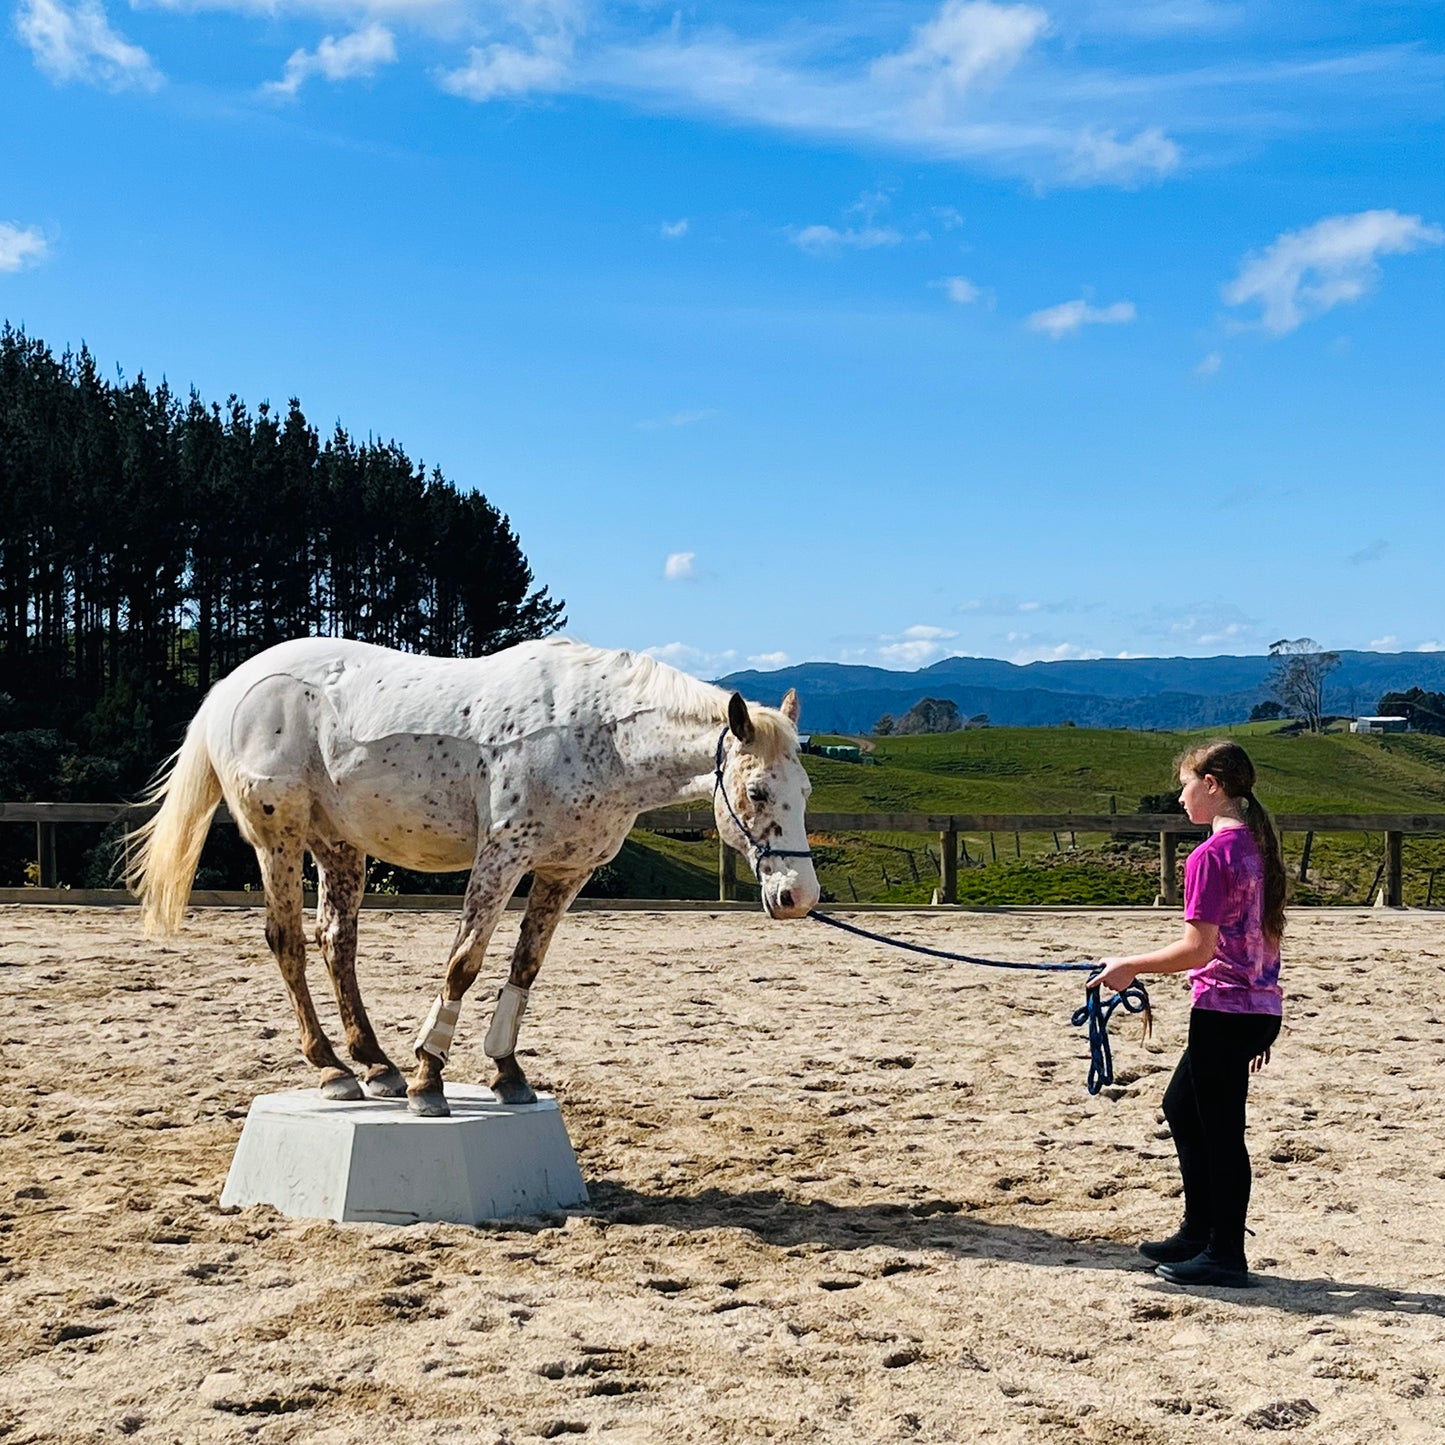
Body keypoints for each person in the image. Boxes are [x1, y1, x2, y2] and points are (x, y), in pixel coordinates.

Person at [1091, 739, 1286, 1289]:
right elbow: (1259, 938)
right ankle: (1199, 1231)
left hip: (1225, 1008)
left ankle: (1225, 1253)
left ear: (1213, 785)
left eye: (1186, 784)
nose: (1180, 796)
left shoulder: (1209, 856)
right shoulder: (1258, 848)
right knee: (1183, 1107)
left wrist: (1130, 966)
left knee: (1221, 1131)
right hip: (1253, 1008)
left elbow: (1199, 949)